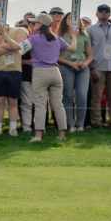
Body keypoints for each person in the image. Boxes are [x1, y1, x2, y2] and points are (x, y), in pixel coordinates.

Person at [28, 14, 80, 142]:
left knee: (40, 105)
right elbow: (73, 48)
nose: (33, 25)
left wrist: (5, 35)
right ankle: (62, 135)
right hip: (56, 73)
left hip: (40, 72)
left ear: (41, 25)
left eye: (35, 23)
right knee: (58, 105)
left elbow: (17, 48)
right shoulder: (57, 39)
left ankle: (38, 136)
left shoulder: (33, 39)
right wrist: (74, 36)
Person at [88, 4, 111, 129]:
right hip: (98, 67)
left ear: (110, 14)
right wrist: (92, 68)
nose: (104, 13)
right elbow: (87, 51)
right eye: (101, 11)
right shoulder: (90, 30)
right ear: (96, 14)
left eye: (106, 11)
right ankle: (96, 123)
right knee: (96, 97)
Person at [58, 14, 93, 132]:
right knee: (67, 95)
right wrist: (70, 63)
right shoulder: (60, 35)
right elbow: (57, 57)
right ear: (65, 21)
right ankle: (70, 124)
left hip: (82, 69)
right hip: (66, 67)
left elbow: (90, 55)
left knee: (82, 95)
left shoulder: (84, 35)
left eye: (76, 19)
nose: (73, 21)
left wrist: (86, 63)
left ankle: (80, 124)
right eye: (69, 18)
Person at [0, 24, 24, 136]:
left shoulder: (17, 32)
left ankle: (13, 128)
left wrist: (5, 39)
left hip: (14, 70)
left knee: (13, 101)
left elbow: (18, 47)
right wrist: (9, 45)